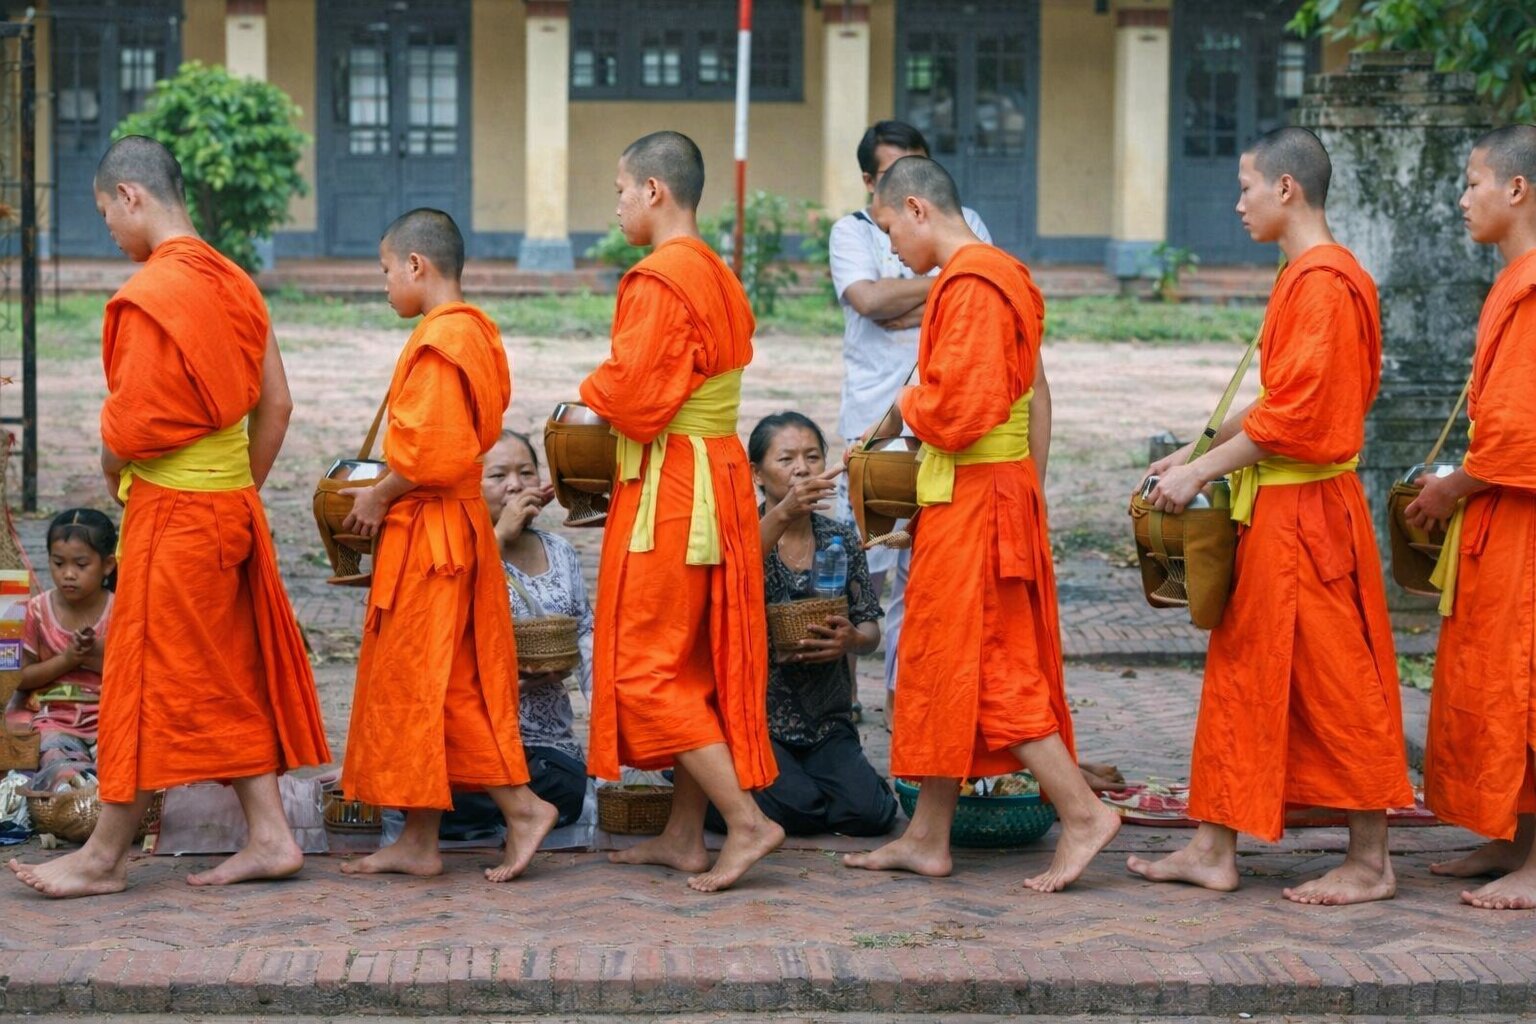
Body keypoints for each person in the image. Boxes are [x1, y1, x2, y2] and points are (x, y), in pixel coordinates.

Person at [9, 135, 331, 898]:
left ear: (132, 196)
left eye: (105, 214)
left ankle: (103, 856)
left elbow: (128, 433)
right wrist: (232, 487)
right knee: (217, 674)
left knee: (143, 676)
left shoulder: (153, 293)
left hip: (175, 516)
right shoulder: (237, 283)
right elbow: (276, 407)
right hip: (226, 510)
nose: (110, 235)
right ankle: (270, 834)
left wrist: (119, 467)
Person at [1127, 127, 1413, 905]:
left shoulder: (1325, 282)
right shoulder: (1304, 276)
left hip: (1308, 512)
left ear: (1287, 189)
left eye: (1247, 186)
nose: (1238, 202)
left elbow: (1294, 420)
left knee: (1336, 681)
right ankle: (1214, 845)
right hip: (1277, 508)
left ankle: (1371, 860)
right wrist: (1193, 447)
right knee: (1244, 674)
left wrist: (1198, 474)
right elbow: (1276, 402)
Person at [842, 156, 1120, 890]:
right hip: (972, 494)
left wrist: (908, 405)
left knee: (990, 665)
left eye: (890, 227)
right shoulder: (993, 277)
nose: (891, 245)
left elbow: (961, 413)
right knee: (940, 662)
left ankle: (1083, 812)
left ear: (917, 208)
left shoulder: (973, 283)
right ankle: (928, 834)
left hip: (979, 498)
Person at [580, 130, 784, 893]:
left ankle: (749, 821)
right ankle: (682, 834)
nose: (620, 204)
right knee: (693, 660)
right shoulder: (718, 275)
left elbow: (634, 400)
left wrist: (591, 390)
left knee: (646, 666)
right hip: (718, 476)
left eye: (621, 190)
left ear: (655, 192)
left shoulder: (659, 278)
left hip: (676, 486)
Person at [339, 208, 557, 883]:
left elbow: (433, 452)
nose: (384, 285)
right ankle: (419, 838)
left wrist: (378, 494)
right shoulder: (477, 333)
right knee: (432, 681)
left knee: (435, 682)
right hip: (454, 525)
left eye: (384, 271)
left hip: (431, 527)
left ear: (416, 266)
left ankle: (521, 809)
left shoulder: (444, 338)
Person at [1407, 124, 1536, 911]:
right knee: (1496, 685)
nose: (1462, 199)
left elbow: (1521, 430)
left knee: (1527, 684)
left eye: (1473, 181)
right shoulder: (1510, 281)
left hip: (1523, 520)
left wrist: (1454, 487)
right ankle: (1512, 837)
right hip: (1505, 522)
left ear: (1517, 189)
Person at [829, 121, 992, 723]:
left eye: (901, 227)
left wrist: (913, 295)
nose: (895, 244)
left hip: (944, 441)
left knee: (917, 576)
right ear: (871, 182)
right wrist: (929, 288)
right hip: (874, 419)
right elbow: (870, 305)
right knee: (856, 564)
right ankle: (840, 705)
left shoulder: (974, 253)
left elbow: (921, 326)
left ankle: (908, 704)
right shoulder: (852, 231)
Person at [702, 411, 895, 838]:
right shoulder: (737, 533)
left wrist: (850, 639)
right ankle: (706, 792)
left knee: (871, 816)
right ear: (755, 473)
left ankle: (818, 785)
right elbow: (728, 586)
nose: (802, 468)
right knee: (802, 812)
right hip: (759, 721)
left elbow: (869, 630)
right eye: (785, 459)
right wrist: (784, 513)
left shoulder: (840, 537)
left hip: (827, 721)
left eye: (811, 456)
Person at [483, 429, 592, 829]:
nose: (515, 485)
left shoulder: (559, 551)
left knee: (564, 786)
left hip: (546, 746)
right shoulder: (461, 550)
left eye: (526, 473)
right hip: (481, 743)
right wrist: (496, 537)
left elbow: (585, 631)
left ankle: (521, 811)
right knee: (456, 790)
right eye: (497, 476)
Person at [13, 510, 117, 786]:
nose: (68, 574)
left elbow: (139, 672)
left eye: (81, 565)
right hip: (55, 719)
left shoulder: (120, 610)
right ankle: (72, 788)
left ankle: (96, 791)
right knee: (53, 753)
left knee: (122, 758)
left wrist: (95, 652)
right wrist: (68, 659)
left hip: (112, 718)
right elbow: (21, 678)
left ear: (108, 565)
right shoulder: (38, 611)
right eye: (58, 563)